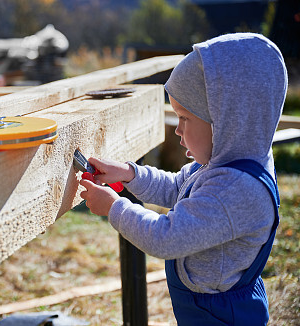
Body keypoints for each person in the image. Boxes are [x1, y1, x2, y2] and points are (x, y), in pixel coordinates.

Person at [79, 33, 287, 325]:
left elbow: (166, 238)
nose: (177, 130)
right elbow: (178, 187)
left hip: (222, 317)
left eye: (185, 118)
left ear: (226, 120)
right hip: (204, 307)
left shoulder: (236, 190)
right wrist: (129, 174)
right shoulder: (223, 162)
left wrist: (114, 207)